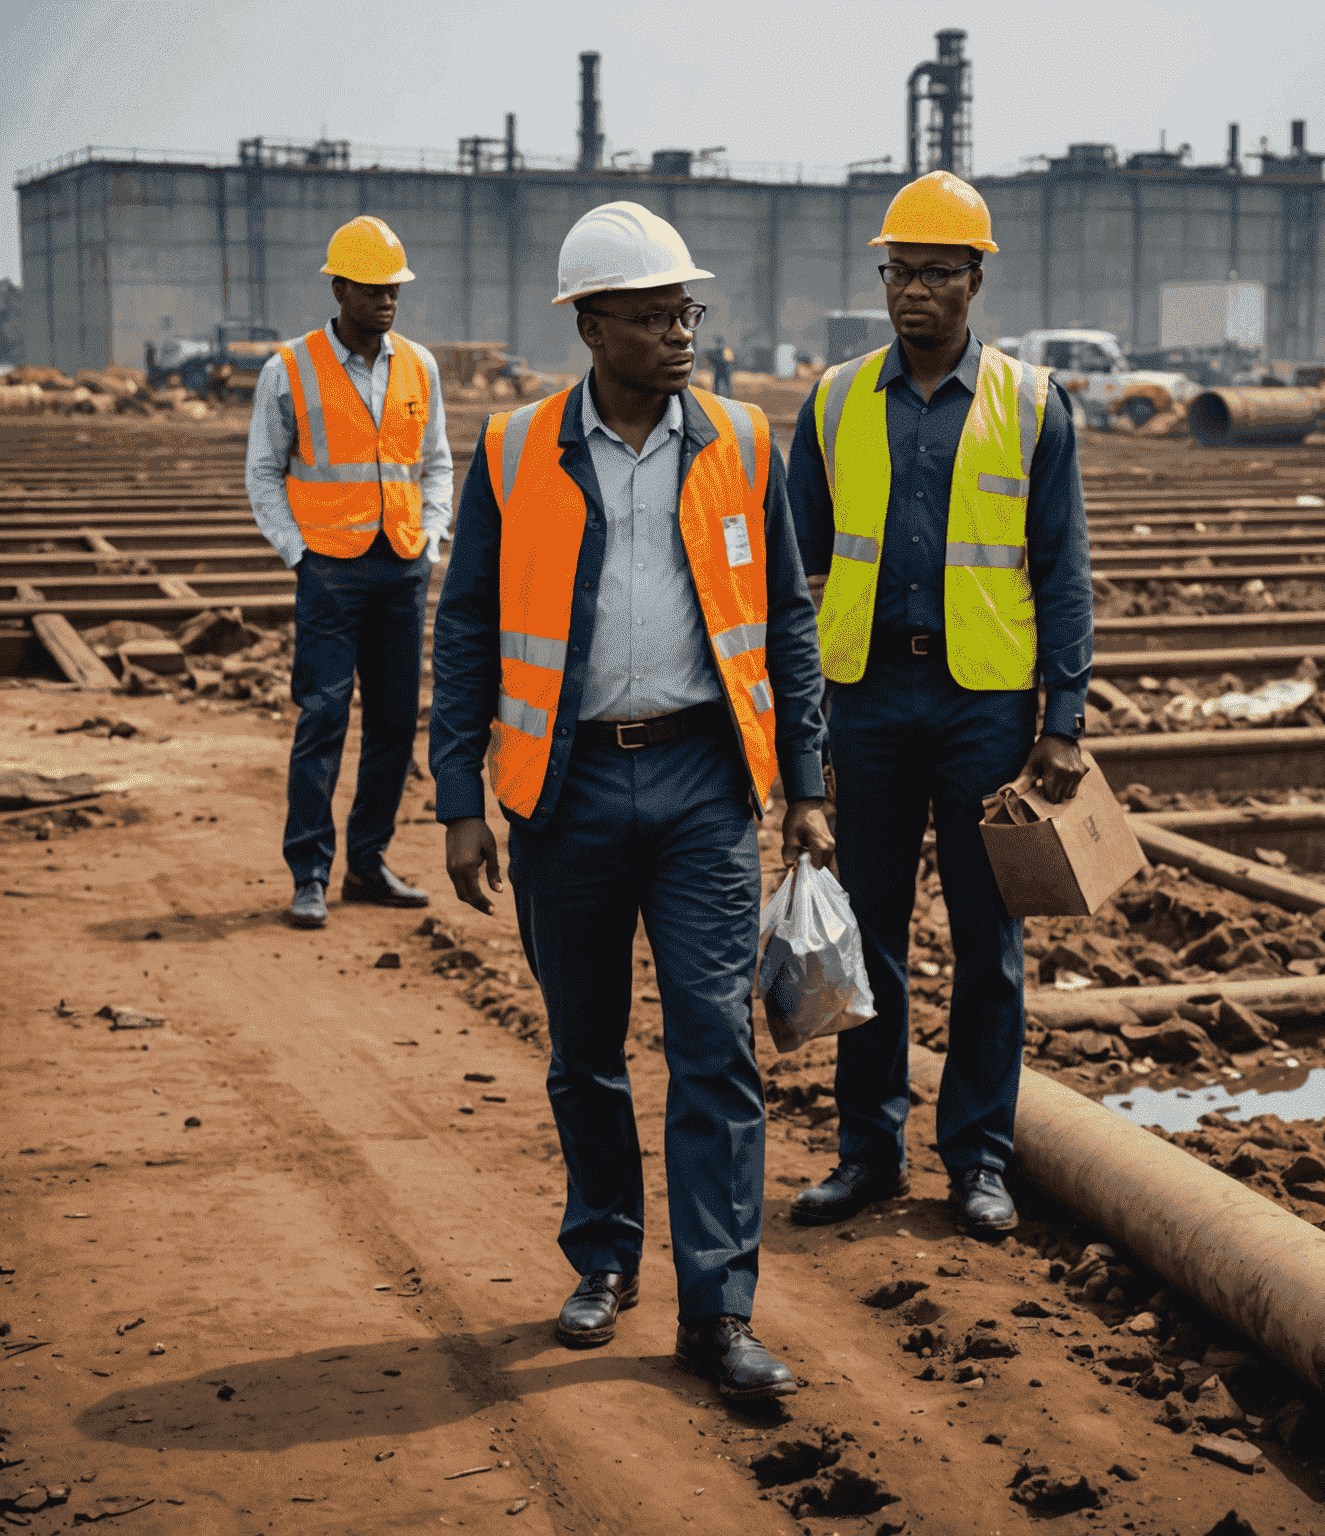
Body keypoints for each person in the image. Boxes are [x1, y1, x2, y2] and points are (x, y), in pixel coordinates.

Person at [428, 202, 833, 1403]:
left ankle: (718, 1311)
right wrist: (461, 798)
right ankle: (604, 1257)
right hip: (568, 789)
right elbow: (464, 635)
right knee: (585, 1051)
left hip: (708, 784)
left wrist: (807, 787)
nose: (679, 335)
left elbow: (793, 627)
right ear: (592, 327)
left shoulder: (746, 441)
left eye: (685, 311)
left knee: (716, 1049)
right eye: (653, 317)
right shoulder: (513, 451)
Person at [785, 171, 1094, 1238]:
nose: (912, 292)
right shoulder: (832, 402)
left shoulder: (1033, 403)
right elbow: (799, 567)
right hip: (866, 699)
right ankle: (869, 1152)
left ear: (974, 281)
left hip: (984, 707)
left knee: (987, 943)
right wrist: (796, 719)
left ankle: (979, 1160)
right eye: (898, 272)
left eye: (935, 273)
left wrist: (1063, 723)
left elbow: (1062, 570)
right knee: (866, 937)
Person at [245, 215, 452, 929]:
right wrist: (297, 553)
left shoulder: (419, 366)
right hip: (329, 571)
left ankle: (367, 862)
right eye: (371, 289)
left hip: (400, 567)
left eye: (393, 288)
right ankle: (309, 873)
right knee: (324, 718)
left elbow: (437, 462)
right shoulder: (290, 368)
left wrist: (431, 534)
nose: (386, 300)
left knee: (395, 724)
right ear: (340, 289)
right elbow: (264, 472)